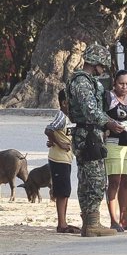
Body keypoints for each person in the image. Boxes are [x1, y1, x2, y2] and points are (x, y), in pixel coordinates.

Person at [67, 43, 124, 237]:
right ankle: (92, 223)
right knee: (94, 179)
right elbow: (90, 111)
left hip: (91, 133)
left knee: (89, 178)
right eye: (103, 65)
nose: (104, 70)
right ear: (96, 62)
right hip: (88, 135)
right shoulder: (82, 82)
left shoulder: (88, 81)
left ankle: (90, 223)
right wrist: (110, 123)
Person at [103, 70, 127, 232]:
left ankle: (124, 219)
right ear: (115, 83)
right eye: (121, 83)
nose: (124, 87)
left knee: (126, 182)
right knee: (114, 181)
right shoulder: (109, 98)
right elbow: (99, 114)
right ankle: (113, 220)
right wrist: (110, 123)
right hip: (113, 143)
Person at [44, 89, 80, 234]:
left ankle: (63, 222)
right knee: (62, 192)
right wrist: (59, 143)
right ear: (65, 102)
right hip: (58, 159)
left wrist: (54, 140)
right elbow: (49, 129)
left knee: (65, 191)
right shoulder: (61, 116)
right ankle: (62, 224)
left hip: (66, 159)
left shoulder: (70, 118)